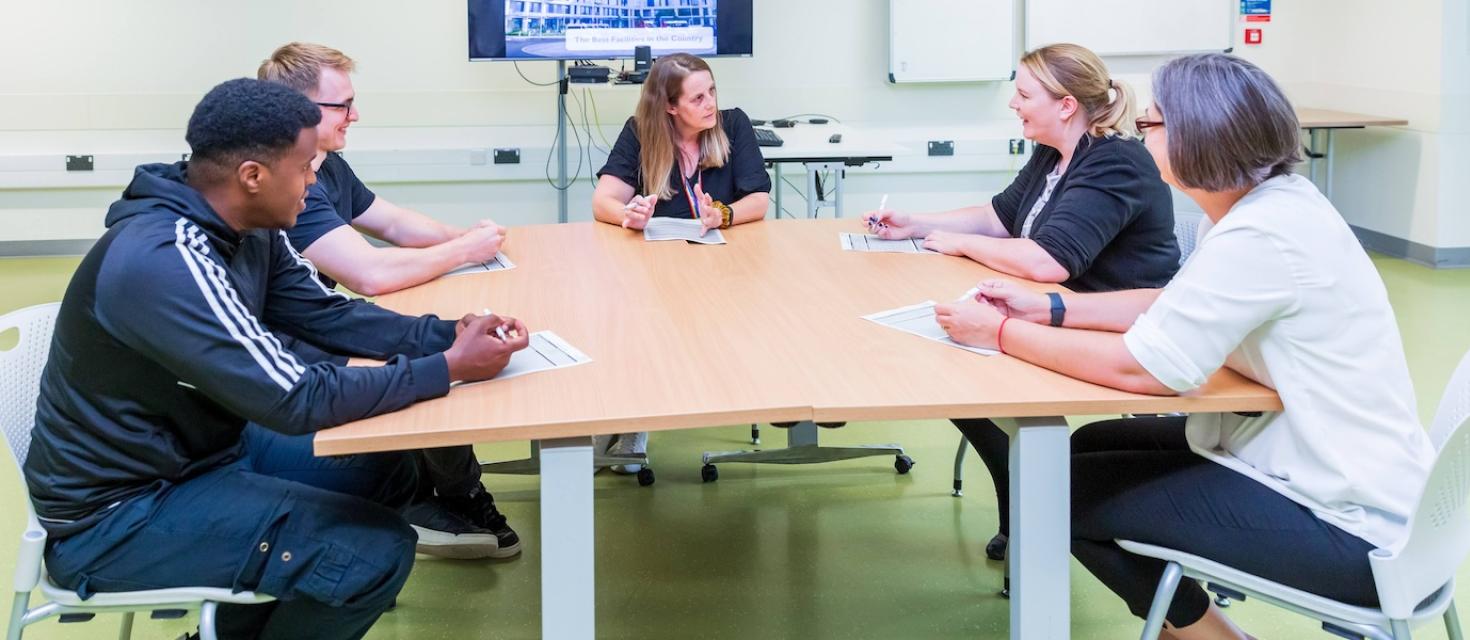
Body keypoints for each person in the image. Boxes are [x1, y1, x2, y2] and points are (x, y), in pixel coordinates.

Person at [933, 53, 1434, 639]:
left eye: (1151, 125)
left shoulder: (1260, 235)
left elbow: (1141, 371)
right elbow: (1171, 305)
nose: (1140, 136)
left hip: (1349, 527)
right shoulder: (1272, 207)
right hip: (1318, 456)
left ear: (1197, 139)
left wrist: (998, 334)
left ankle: (1215, 638)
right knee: (1085, 449)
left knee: (1052, 494)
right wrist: (1053, 308)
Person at [23, 78, 529, 640]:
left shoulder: (247, 226)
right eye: (307, 167)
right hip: (118, 516)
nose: (315, 182)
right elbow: (295, 397)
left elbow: (329, 316)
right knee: (374, 554)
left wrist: (444, 334)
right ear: (253, 176)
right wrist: (451, 367)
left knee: (388, 469)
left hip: (201, 455)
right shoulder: (163, 260)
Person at [868, 43, 1179, 560]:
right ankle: (1020, 497)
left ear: (1065, 106)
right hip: (1053, 306)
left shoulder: (1115, 161)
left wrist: (961, 243)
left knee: (960, 362)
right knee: (952, 353)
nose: (1014, 103)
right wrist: (919, 224)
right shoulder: (1054, 152)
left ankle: (1027, 508)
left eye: (1023, 94)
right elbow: (999, 216)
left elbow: (1047, 262)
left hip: (1102, 318)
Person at [257, 42, 518, 558]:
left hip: (317, 324)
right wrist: (463, 250)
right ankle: (424, 497)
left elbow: (393, 223)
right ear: (298, 113)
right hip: (289, 356)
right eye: (343, 105)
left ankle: (448, 488)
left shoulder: (324, 166)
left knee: (430, 343)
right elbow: (370, 274)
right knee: (424, 361)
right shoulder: (286, 183)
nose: (356, 115)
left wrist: (469, 239)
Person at [590, 52, 772, 471]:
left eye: (711, 92)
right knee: (629, 319)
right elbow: (604, 199)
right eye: (697, 98)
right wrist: (627, 214)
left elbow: (759, 200)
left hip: (724, 267)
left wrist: (721, 214)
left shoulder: (734, 124)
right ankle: (628, 417)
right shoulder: (640, 132)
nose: (710, 104)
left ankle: (638, 419)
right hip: (656, 267)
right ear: (669, 106)